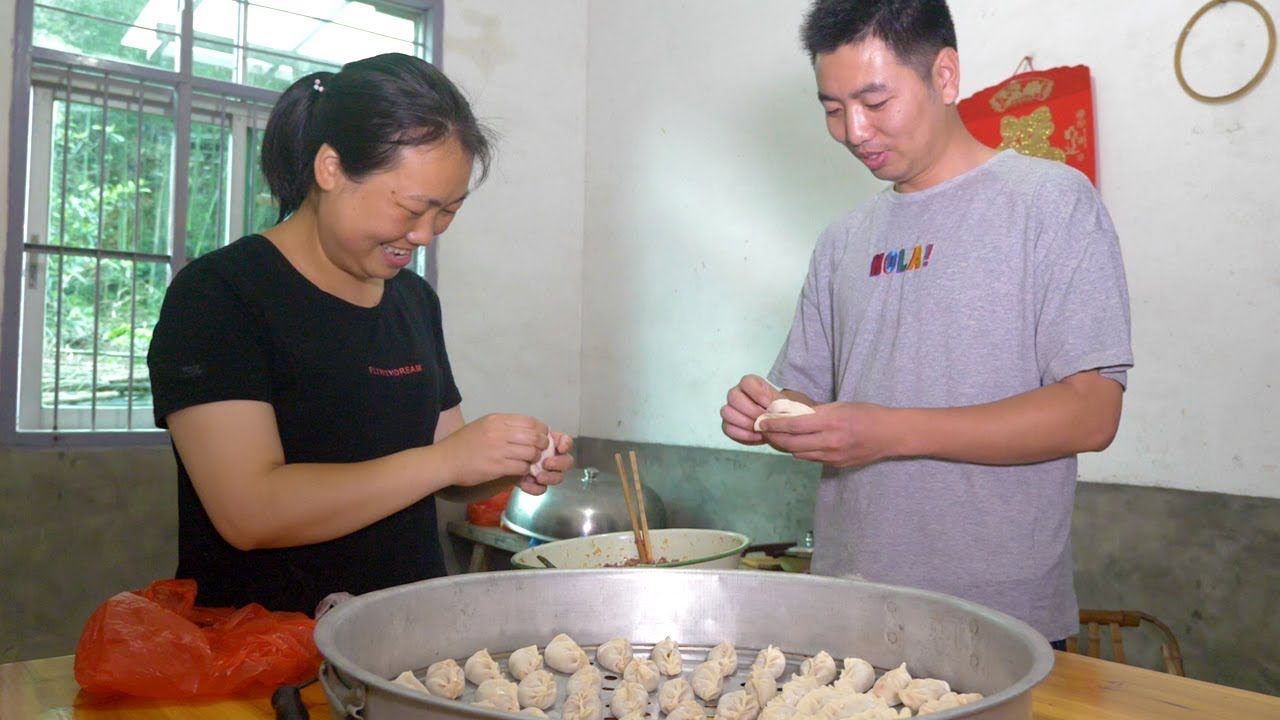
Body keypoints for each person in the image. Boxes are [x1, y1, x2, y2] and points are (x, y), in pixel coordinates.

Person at [720, 0, 1132, 646]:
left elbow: (1092, 413)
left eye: (874, 102)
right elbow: (810, 398)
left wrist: (888, 432)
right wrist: (773, 414)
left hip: (997, 621)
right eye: (833, 109)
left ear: (944, 76)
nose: (854, 131)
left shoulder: (1051, 206)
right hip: (851, 609)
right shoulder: (843, 240)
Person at [147, 53, 573, 615]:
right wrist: (448, 461)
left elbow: (446, 469)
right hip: (267, 641)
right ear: (331, 169)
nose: (424, 235)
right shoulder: (221, 294)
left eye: (448, 211)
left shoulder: (413, 301)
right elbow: (249, 511)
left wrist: (504, 462)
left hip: (404, 628)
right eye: (413, 208)